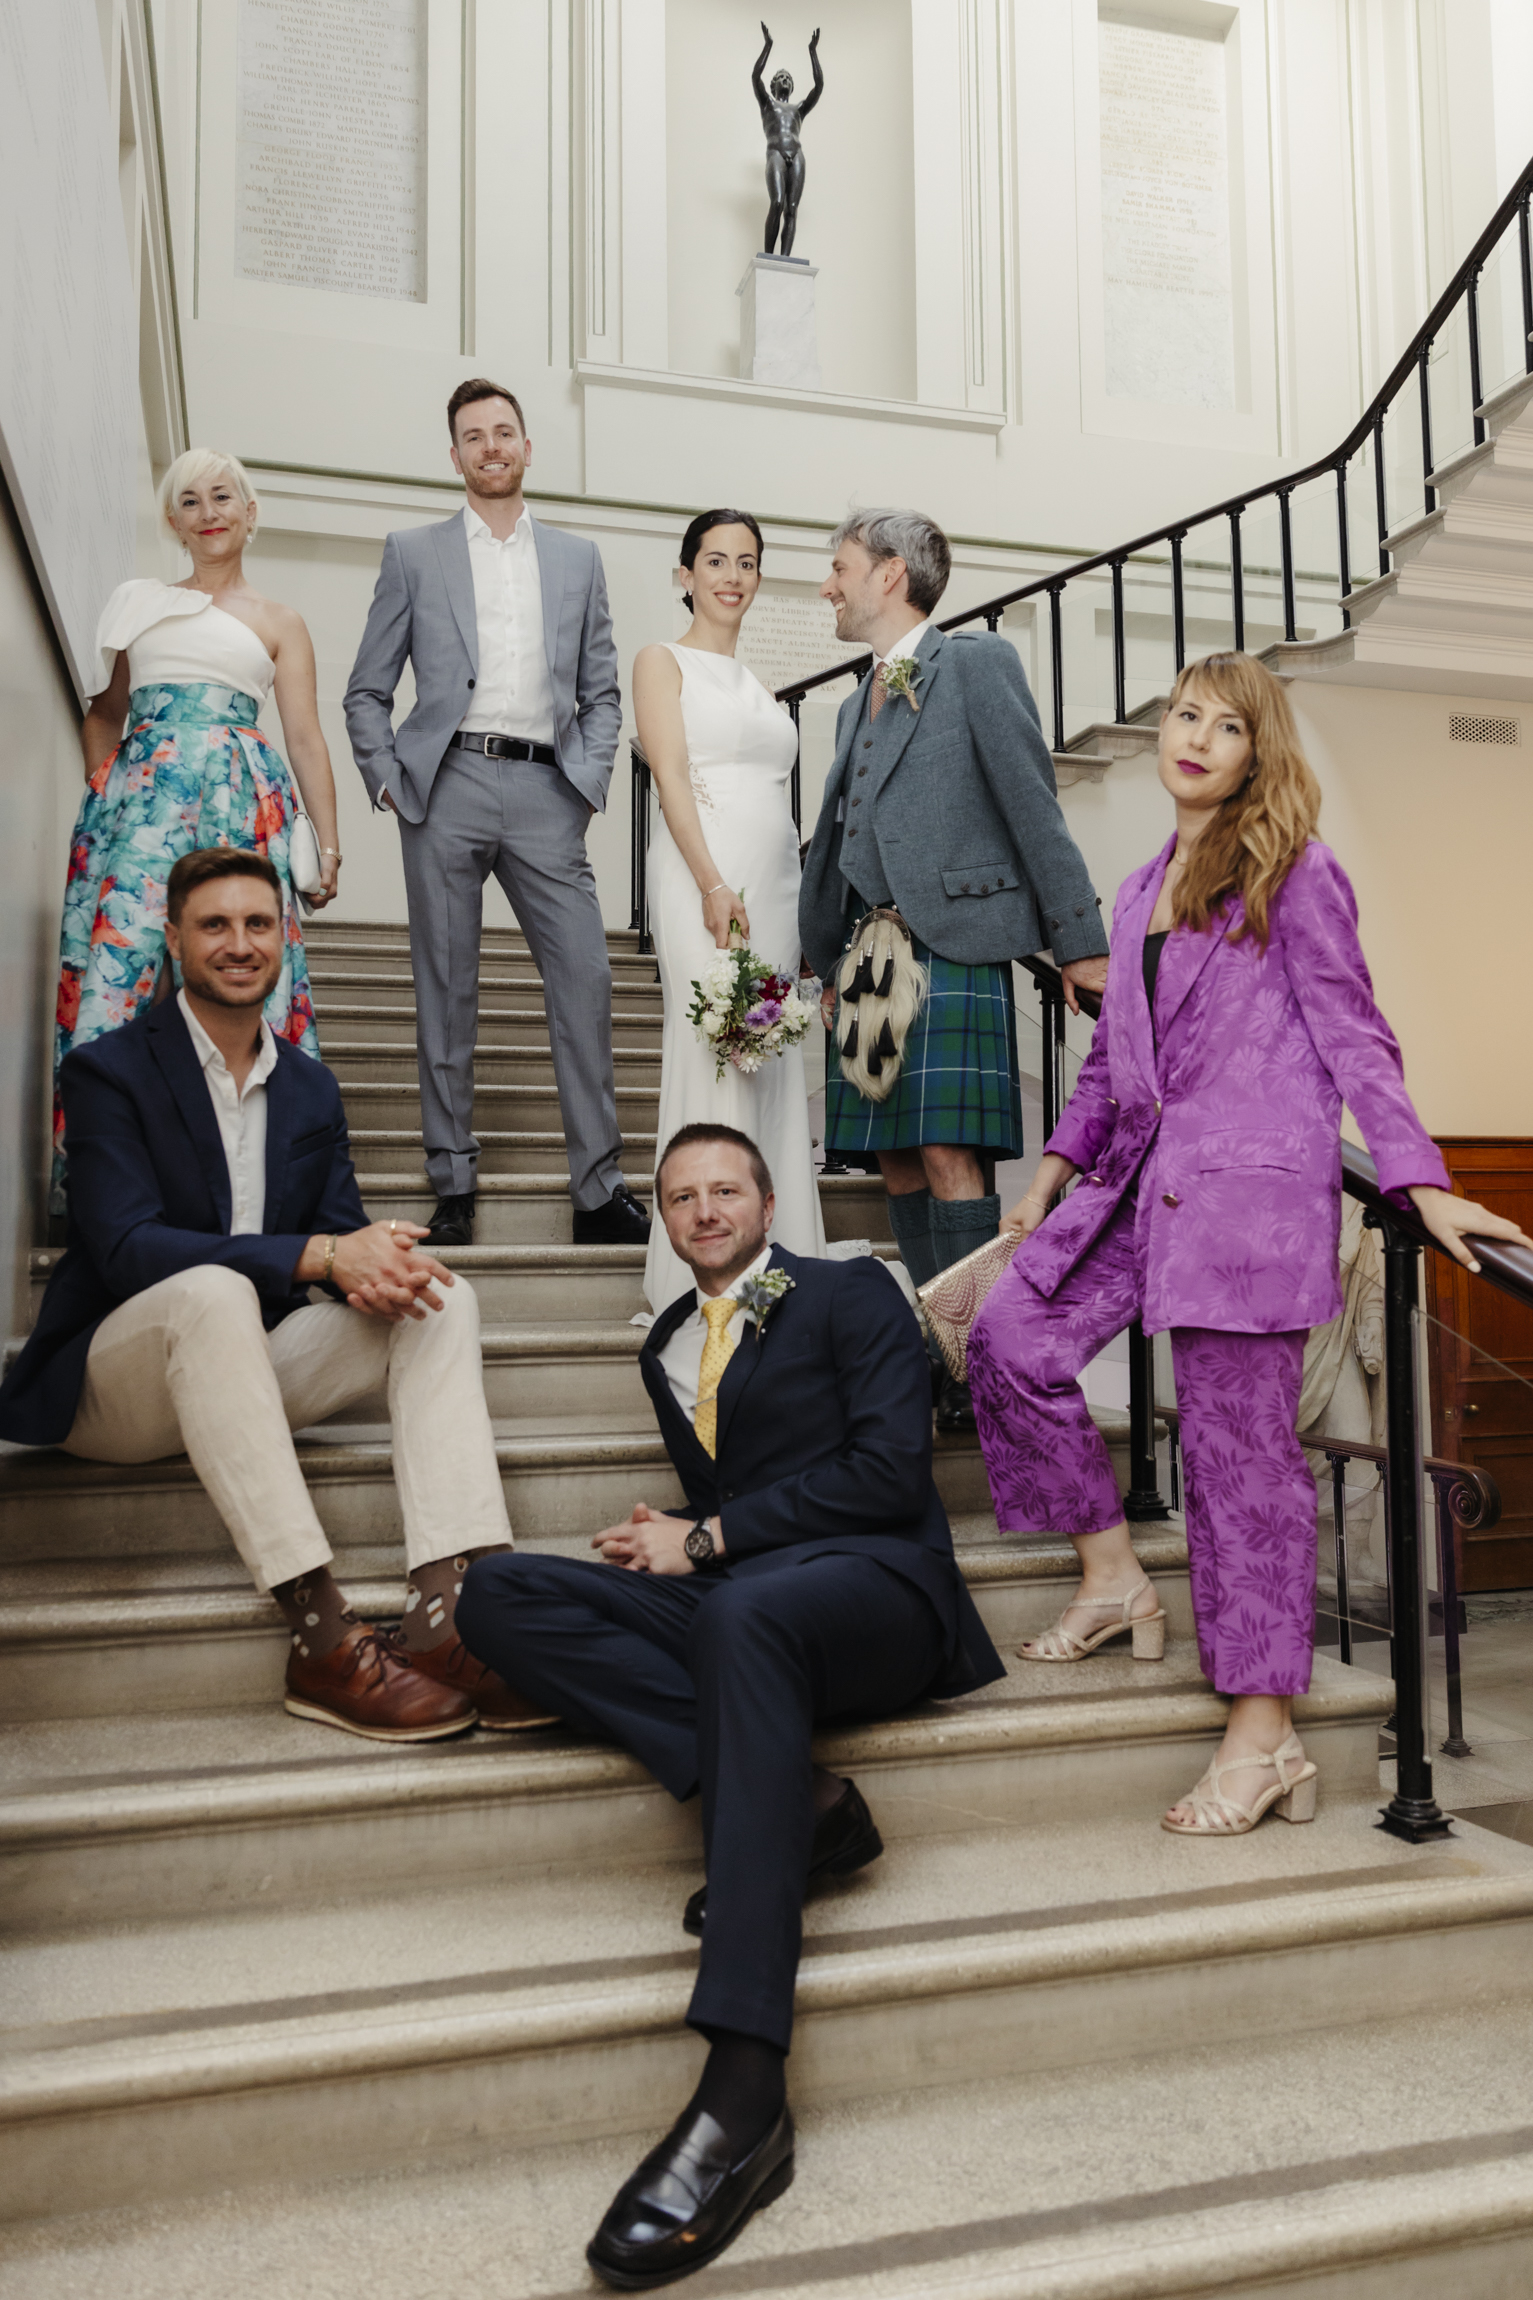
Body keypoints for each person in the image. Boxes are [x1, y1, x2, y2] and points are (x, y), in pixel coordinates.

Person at [967, 653, 1532, 1836]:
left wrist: (1423, 1181)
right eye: (1185, 714)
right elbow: (1117, 1065)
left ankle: (1265, 1734)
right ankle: (1115, 1570)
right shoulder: (1132, 895)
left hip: (1248, 1211)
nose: (1196, 737)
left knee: (1243, 1476)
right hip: (1131, 1187)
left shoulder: (1296, 873)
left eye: (1228, 726)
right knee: (1011, 1333)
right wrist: (1051, 1181)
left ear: (1255, 755)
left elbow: (1356, 1037)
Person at [456, 1122, 1004, 2286]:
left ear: (767, 1200)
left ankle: (746, 2086)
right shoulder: (662, 1341)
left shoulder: (853, 1290)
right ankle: (797, 1801)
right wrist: (681, 1537)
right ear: (663, 1217)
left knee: (742, 1615)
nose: (704, 1209)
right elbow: (728, 1490)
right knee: (496, 1592)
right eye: (680, 1195)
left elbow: (888, 1469)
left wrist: (708, 1535)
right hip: (747, 1604)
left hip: (879, 1593)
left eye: (725, 1189)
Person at [3, 849, 556, 1741]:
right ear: (176, 938)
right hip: (118, 1384)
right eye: (215, 925)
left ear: (282, 938)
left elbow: (339, 1246)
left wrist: (374, 1259)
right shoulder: (109, 1071)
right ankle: (319, 1633)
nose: (238, 943)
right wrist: (319, 1255)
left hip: (249, 1371)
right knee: (213, 1290)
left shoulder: (308, 1085)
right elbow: (123, 1246)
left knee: (439, 1298)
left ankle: (451, 1618)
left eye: (258, 924)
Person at [798, 509, 1110, 1432]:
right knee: (892, 1158)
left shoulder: (974, 665)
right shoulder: (858, 698)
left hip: (952, 942)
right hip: (868, 959)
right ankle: (940, 1347)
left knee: (945, 1155)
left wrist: (1077, 940)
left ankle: (981, 1363)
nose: (828, 584)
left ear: (889, 575)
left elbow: (1031, 803)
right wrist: (820, 958)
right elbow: (841, 839)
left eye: (839, 567)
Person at [343, 378, 646, 1251]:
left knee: (585, 982)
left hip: (546, 791)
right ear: (454, 456)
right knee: (448, 987)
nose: (489, 447)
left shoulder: (577, 559)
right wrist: (391, 779)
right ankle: (452, 1183)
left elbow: (600, 690)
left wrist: (583, 781)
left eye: (503, 432)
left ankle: (597, 1193)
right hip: (445, 787)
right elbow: (367, 689)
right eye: (471, 436)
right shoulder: (412, 552)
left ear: (524, 445)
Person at [55, 449, 335, 1196]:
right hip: (139, 813)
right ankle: (108, 1180)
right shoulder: (138, 600)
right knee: (128, 974)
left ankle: (252, 1175)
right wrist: (103, 787)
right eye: (189, 501)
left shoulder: (281, 621)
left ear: (249, 513)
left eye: (222, 497)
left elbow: (304, 734)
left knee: (235, 967)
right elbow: (105, 714)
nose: (208, 512)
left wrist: (327, 843)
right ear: (173, 522)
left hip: (241, 800)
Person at [632, 509, 828, 1310]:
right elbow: (671, 780)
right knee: (713, 1047)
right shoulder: (661, 660)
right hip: (699, 879)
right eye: (714, 560)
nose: (732, 576)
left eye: (746, 562)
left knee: (770, 1058)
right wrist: (712, 883)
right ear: (685, 574)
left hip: (774, 885)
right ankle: (701, 1265)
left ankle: (779, 1259)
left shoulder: (760, 686)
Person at [751, 22, 823, 258]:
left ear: (791, 86)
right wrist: (767, 46)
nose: (784, 79)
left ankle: (785, 260)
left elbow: (819, 86)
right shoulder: (767, 104)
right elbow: (755, 76)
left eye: (788, 78)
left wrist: (813, 52)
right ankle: (769, 260)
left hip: (797, 154)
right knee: (777, 202)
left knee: (791, 210)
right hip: (775, 153)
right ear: (773, 86)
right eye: (780, 77)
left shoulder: (798, 109)